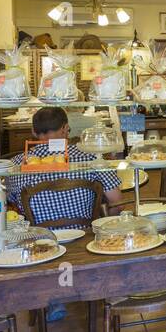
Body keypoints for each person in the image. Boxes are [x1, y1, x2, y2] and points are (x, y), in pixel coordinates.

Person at [8, 106, 122, 320]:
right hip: (84, 237)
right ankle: (93, 288)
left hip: (41, 243)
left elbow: (13, 206)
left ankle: (53, 295)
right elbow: (116, 200)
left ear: (33, 132)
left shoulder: (15, 165)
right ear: (65, 129)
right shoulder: (89, 158)